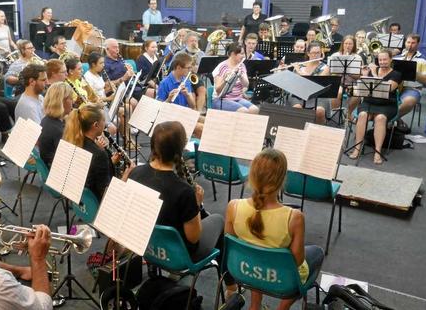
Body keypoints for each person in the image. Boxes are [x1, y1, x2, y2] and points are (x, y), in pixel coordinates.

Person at [224, 148, 324, 308]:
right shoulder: (294, 217)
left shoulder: (233, 206)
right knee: (317, 252)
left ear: (252, 175)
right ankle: (282, 308)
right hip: (281, 280)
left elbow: (230, 245)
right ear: (282, 179)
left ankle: (254, 306)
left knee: (255, 253)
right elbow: (298, 261)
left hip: (244, 271)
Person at [130, 121, 227, 265]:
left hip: (146, 244)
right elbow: (193, 238)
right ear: (180, 150)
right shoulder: (184, 191)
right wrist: (197, 205)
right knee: (218, 219)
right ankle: (230, 286)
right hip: (179, 255)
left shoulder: (135, 173)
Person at [63, 103, 134, 202]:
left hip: (80, 201)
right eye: (104, 120)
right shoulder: (98, 153)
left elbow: (92, 172)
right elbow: (108, 196)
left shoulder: (75, 142)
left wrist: (110, 163)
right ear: (96, 125)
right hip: (97, 204)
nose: (105, 124)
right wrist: (127, 173)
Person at [349, 49, 402, 165]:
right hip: (369, 102)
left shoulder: (396, 74)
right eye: (380, 60)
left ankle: (377, 152)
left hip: (387, 104)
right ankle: (357, 148)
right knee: (362, 115)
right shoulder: (371, 70)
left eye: (385, 59)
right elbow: (363, 87)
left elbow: (387, 89)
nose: (382, 62)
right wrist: (363, 75)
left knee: (380, 118)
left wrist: (373, 73)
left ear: (391, 60)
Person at [288, 42, 330, 124]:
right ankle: (299, 130)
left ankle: (317, 131)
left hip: (318, 95)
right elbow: (293, 84)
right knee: (297, 107)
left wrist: (299, 71)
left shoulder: (325, 67)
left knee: (319, 111)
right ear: (308, 53)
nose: (316, 55)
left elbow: (315, 81)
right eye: (313, 53)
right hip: (299, 94)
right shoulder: (300, 65)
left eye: (318, 53)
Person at [394, 33, 426, 122]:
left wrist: (414, 72)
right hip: (395, 87)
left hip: (412, 88)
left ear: (418, 44)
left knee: (408, 102)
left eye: (413, 43)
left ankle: (391, 120)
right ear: (405, 43)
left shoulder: (424, 60)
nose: (410, 45)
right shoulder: (397, 58)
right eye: (408, 42)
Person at [211, 43, 258, 113]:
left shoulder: (241, 65)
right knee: (243, 110)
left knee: (254, 109)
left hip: (238, 98)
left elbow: (246, 85)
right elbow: (218, 90)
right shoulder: (222, 67)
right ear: (233, 54)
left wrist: (241, 75)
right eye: (241, 54)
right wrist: (226, 79)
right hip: (221, 100)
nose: (243, 56)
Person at [38, 82, 73, 168]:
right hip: (57, 171)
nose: (73, 101)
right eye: (70, 98)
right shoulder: (57, 130)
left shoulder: (46, 119)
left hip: (50, 164)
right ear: (62, 101)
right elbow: (69, 159)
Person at [329, 35, 364, 119]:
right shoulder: (335, 55)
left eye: (350, 44)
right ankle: (335, 114)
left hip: (351, 83)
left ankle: (348, 113)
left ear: (354, 45)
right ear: (343, 44)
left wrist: (348, 71)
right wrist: (338, 72)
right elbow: (330, 73)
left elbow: (359, 76)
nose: (348, 46)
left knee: (357, 93)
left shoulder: (357, 57)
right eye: (346, 43)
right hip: (338, 83)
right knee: (338, 92)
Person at [175, 32, 207, 112]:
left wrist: (197, 68)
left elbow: (205, 71)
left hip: (195, 77)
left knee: (202, 90)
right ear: (186, 42)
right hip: (183, 78)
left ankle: (199, 112)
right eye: (192, 41)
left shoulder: (201, 53)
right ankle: (192, 112)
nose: (194, 43)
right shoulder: (179, 54)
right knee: (192, 94)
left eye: (195, 41)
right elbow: (173, 68)